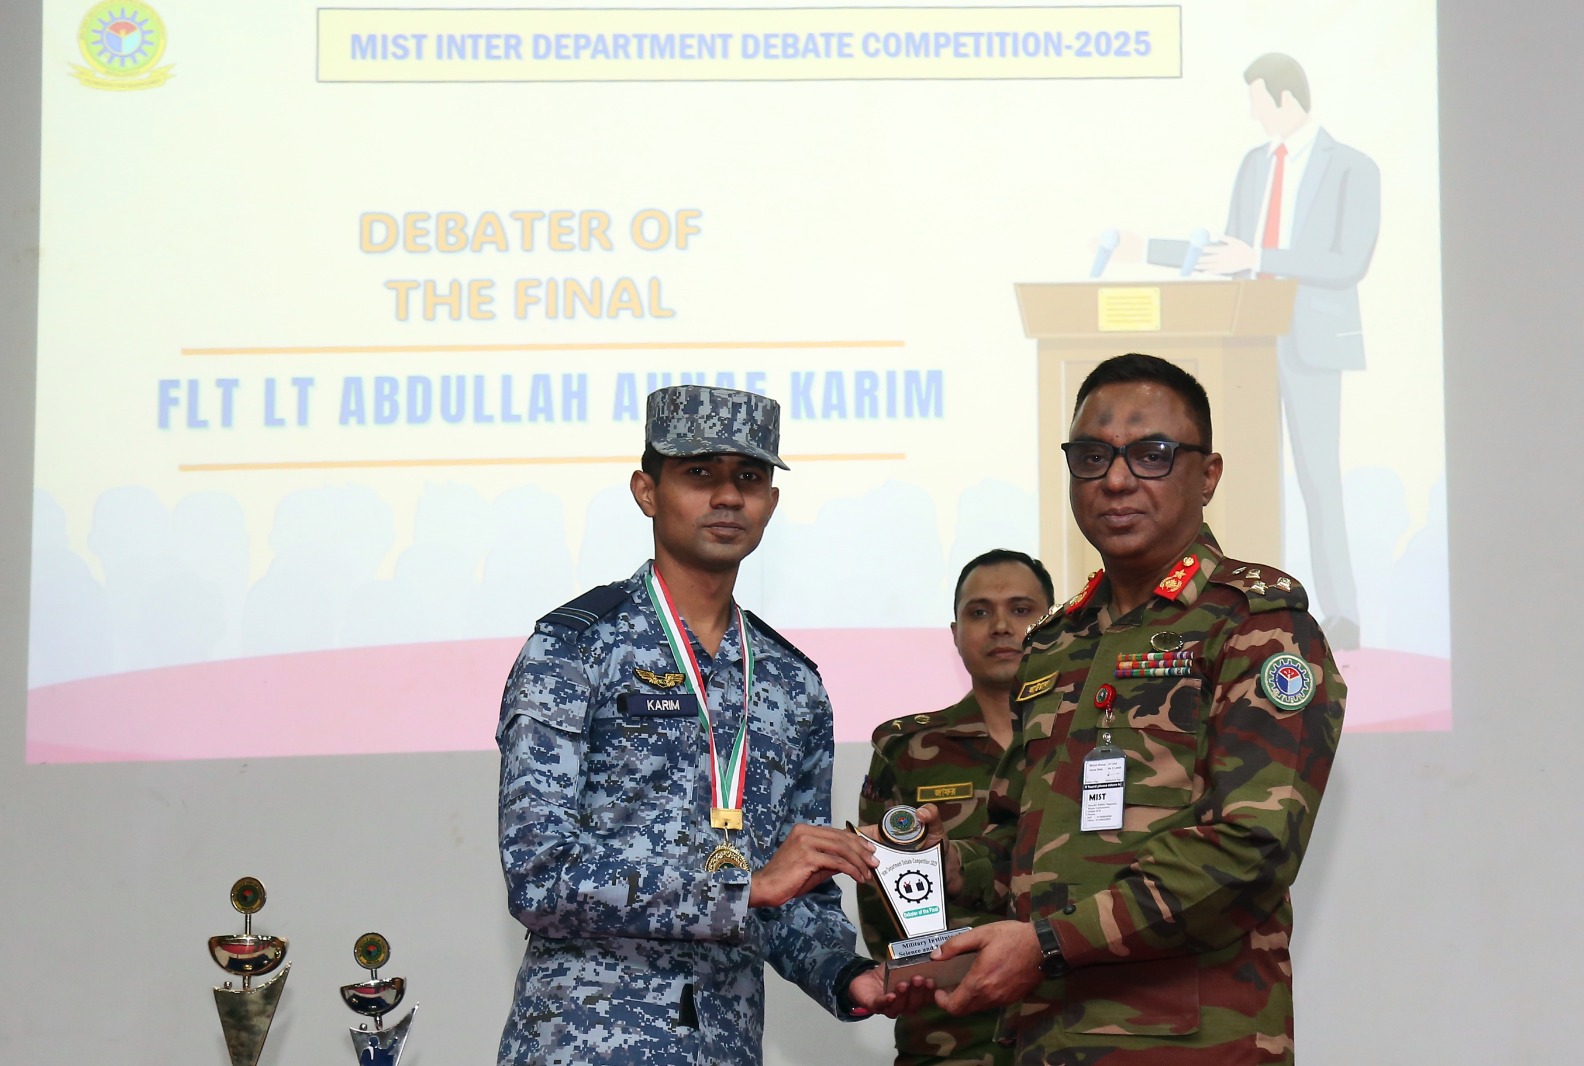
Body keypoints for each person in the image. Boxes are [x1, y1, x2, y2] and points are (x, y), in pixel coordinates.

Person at [922, 353, 1345, 1063]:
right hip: (1046, 1040)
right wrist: (944, 863)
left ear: (1207, 475)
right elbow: (1023, 849)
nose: (1116, 480)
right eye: (1092, 457)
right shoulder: (1055, 643)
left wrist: (1049, 942)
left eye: (1152, 454)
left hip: (1189, 1045)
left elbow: (1251, 847)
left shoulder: (1258, 625)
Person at [496, 385, 917, 1066]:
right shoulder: (573, 649)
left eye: (748, 478)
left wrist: (848, 974)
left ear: (770, 503)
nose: (727, 497)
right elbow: (540, 875)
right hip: (582, 1046)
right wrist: (741, 889)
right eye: (699, 474)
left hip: (726, 1046)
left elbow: (792, 896)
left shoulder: (793, 684)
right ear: (646, 492)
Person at [1136, 53, 1378, 649]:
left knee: (1318, 479)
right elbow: (1231, 251)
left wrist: (1262, 259)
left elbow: (1348, 261)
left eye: (1256, 100)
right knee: (1236, 481)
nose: (1251, 112)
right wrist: (1148, 249)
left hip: (1310, 342)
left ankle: (1342, 615)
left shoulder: (1351, 166)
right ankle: (1244, 613)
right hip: (1247, 342)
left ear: (1284, 98)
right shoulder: (1253, 164)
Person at [857, 549, 1056, 1066]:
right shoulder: (907, 748)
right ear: (955, 633)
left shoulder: (1092, 740)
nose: (1001, 627)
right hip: (951, 1033)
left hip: (1075, 1025)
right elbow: (883, 904)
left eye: (1021, 609)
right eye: (979, 612)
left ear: (1054, 625)